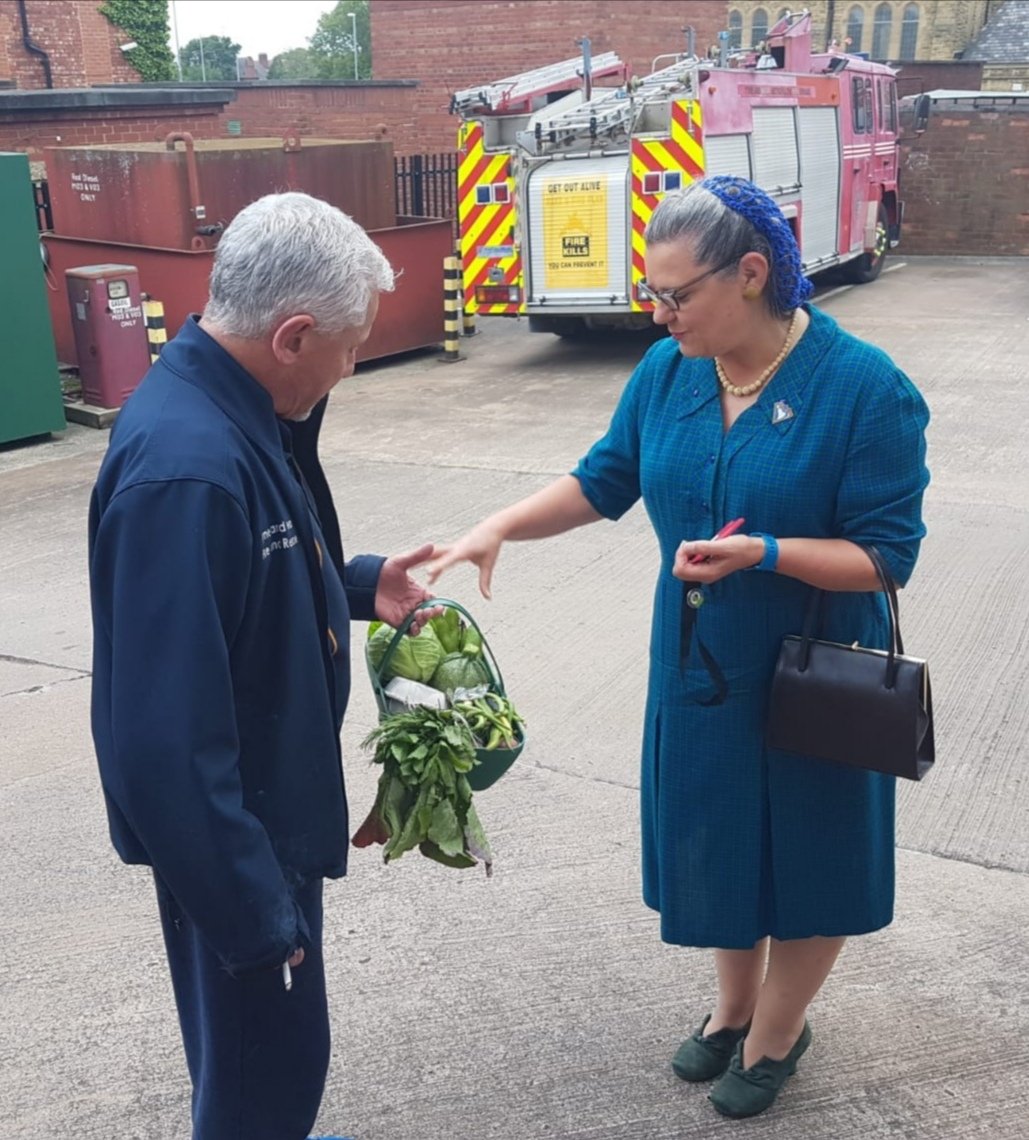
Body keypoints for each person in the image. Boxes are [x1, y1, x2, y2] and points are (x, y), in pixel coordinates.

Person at [428, 176, 930, 1120]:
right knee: (717, 840)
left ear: (749, 274)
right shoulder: (669, 373)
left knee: (813, 854)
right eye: (650, 293)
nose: (658, 315)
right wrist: (496, 526)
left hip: (811, 670)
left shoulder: (865, 389)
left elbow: (885, 556)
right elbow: (604, 479)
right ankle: (733, 1006)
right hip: (700, 667)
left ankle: (780, 1030)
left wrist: (765, 553)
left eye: (675, 295)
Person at [88, 192, 438, 1140]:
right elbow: (160, 743)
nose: (353, 363)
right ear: (293, 336)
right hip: (240, 848)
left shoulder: (235, 413)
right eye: (351, 343)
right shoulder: (188, 469)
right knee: (261, 1077)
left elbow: (255, 576)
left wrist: (362, 583)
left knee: (274, 1068)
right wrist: (256, 922)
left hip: (260, 821)